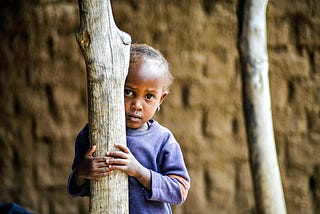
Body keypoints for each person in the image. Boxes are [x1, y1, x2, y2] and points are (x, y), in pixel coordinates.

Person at [67, 44, 190, 213]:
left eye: (149, 96)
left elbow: (179, 190)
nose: (137, 105)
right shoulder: (92, 133)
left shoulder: (162, 140)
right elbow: (76, 188)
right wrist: (82, 173)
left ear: (160, 100)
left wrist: (139, 172)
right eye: (128, 92)